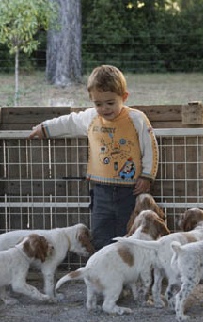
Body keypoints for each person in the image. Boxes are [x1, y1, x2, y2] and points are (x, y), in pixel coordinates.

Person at [29, 65, 159, 250]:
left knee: (129, 232)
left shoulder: (136, 119)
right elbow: (70, 121)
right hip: (101, 191)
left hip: (130, 191)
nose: (105, 108)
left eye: (110, 103)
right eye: (98, 104)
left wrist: (147, 175)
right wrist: (45, 128)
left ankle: (128, 273)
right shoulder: (91, 118)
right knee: (100, 232)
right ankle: (102, 272)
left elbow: (151, 147)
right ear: (91, 101)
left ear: (124, 97)